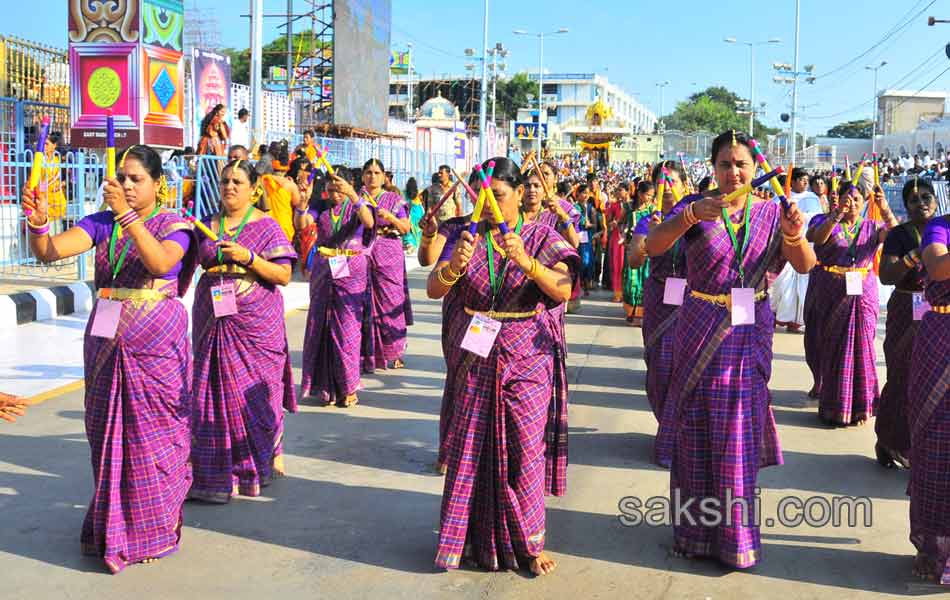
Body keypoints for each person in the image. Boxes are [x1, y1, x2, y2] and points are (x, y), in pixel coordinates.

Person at [21, 144, 198, 573]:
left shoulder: (176, 225)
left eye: (137, 179)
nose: (126, 185)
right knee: (106, 436)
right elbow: (49, 252)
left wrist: (128, 217)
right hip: (104, 341)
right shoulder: (103, 224)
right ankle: (114, 527)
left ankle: (154, 527)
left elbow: (159, 264)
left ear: (159, 184)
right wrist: (40, 222)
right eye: (122, 177)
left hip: (156, 348)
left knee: (154, 438)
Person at [645, 130, 816, 568]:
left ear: (755, 168)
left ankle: (736, 537)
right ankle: (694, 534)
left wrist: (795, 236)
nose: (733, 172)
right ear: (713, 168)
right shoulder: (697, 208)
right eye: (724, 164)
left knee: (739, 432)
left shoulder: (773, 212)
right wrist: (687, 218)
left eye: (740, 164)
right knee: (696, 431)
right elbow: (653, 246)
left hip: (749, 331)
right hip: (700, 324)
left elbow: (805, 265)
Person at [427, 157, 578, 576]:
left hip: (527, 354)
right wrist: (455, 265)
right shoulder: (465, 235)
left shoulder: (542, 235)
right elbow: (433, 288)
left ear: (515, 193)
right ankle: (467, 538)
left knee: (524, 448)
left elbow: (564, 289)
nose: (488, 205)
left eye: (498, 196)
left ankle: (529, 543)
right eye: (481, 197)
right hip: (475, 352)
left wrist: (527, 262)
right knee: (471, 447)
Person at [188, 159, 298, 503]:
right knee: (211, 389)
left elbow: (282, 276)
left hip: (255, 319)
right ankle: (214, 471)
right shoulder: (204, 225)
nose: (230, 187)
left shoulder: (267, 227)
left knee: (251, 392)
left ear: (254, 189)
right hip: (212, 313)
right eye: (225, 181)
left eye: (237, 181)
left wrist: (248, 257)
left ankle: (253, 464)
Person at [808, 177, 897, 426]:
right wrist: (837, 214)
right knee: (832, 346)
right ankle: (832, 406)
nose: (853, 203)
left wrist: (886, 208)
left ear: (865, 202)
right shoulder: (824, 220)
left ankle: (861, 408)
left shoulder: (872, 226)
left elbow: (896, 234)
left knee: (863, 347)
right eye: (849, 198)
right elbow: (817, 238)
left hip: (864, 293)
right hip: (831, 290)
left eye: (857, 199)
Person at [298, 167, 375, 406]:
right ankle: (325, 388)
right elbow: (302, 223)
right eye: (331, 189)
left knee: (347, 330)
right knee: (320, 327)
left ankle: (349, 386)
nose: (335, 194)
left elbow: (369, 222)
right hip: (324, 271)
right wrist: (303, 201)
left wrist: (353, 194)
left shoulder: (360, 205)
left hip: (351, 271)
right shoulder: (320, 208)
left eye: (339, 188)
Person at [875, 178, 936, 468]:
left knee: (931, 381)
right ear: (907, 205)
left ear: (935, 201)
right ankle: (890, 441)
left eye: (926, 197)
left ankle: (921, 446)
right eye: (914, 199)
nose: (921, 203)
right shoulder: (899, 234)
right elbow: (886, 276)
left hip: (940, 312)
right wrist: (913, 256)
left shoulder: (944, 229)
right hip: (906, 305)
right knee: (902, 376)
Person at [907, 211, 950, 585]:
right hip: (940, 343)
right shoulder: (940, 227)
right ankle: (933, 549)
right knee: (936, 445)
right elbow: (937, 267)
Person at [362, 158, 413, 372]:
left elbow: (405, 228)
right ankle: (369, 352)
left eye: (376, 172)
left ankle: (395, 350)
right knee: (364, 303)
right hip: (363, 253)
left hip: (389, 254)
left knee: (391, 300)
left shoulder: (394, 199)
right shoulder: (357, 199)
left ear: (384, 177)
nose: (372, 176)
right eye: (368, 172)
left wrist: (390, 217)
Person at [772, 167, 822, 333]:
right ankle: (776, 315)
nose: (806, 183)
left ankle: (796, 320)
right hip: (784, 246)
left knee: (803, 285)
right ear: (792, 182)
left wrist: (799, 216)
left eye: (807, 180)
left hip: (805, 244)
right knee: (781, 283)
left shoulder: (812, 198)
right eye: (801, 180)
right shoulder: (780, 197)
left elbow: (817, 219)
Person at [622, 180, 655, 324]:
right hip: (631, 248)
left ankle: (640, 314)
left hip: (647, 250)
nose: (649, 198)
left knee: (645, 280)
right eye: (647, 195)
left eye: (651, 196)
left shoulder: (652, 210)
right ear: (640, 194)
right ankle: (631, 310)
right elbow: (621, 223)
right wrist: (624, 233)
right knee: (631, 281)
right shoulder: (629, 208)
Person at [605, 185, 628, 302]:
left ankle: (627, 293)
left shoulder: (631, 205)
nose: (618, 192)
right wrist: (613, 222)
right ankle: (617, 293)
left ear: (627, 191)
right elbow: (608, 222)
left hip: (628, 237)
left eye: (621, 190)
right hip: (616, 237)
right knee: (617, 265)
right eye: (617, 190)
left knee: (626, 265)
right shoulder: (613, 205)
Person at [403, 177, 424, 253]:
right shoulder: (418, 192)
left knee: (409, 230)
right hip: (418, 212)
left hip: (408, 212)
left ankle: (409, 244)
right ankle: (416, 245)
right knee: (417, 230)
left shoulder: (404, 192)